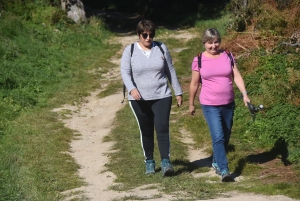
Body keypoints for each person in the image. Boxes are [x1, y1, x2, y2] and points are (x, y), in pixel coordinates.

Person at [120, 20, 183, 177]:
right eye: (145, 35)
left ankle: (166, 162)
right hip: (139, 99)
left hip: (161, 95)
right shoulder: (131, 50)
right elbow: (125, 72)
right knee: (146, 130)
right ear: (139, 34)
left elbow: (170, 70)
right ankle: (149, 161)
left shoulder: (161, 48)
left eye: (151, 35)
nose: (148, 38)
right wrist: (132, 89)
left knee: (162, 128)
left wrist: (178, 91)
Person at [189, 28, 250, 182]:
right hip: (209, 104)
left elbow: (236, 75)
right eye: (210, 43)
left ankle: (216, 160)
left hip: (228, 103)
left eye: (216, 42)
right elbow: (194, 84)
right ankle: (224, 170)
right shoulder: (199, 59)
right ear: (204, 43)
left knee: (226, 134)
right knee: (218, 136)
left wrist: (245, 95)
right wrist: (191, 103)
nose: (214, 46)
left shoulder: (227, 55)